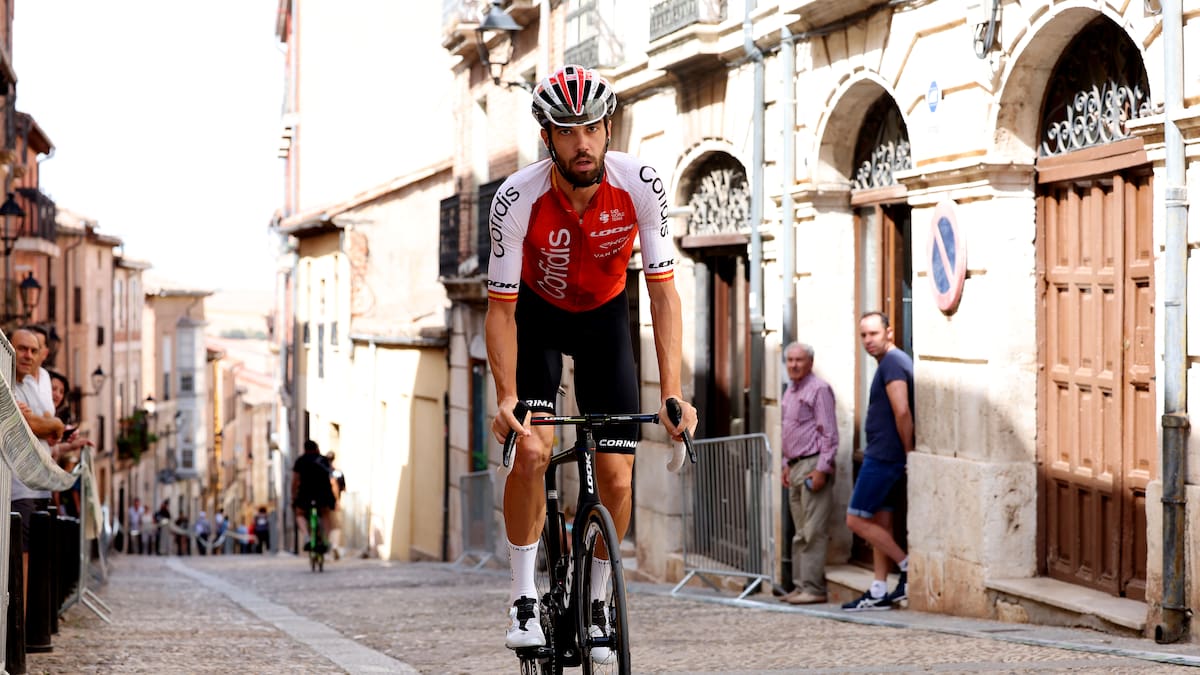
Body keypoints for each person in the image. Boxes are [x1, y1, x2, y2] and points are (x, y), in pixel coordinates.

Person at [485, 64, 698, 662]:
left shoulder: (641, 184)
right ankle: (525, 598)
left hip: (607, 320)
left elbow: (662, 292)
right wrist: (506, 396)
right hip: (539, 317)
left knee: (619, 477)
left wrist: (673, 392)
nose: (583, 143)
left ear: (609, 128)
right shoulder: (516, 198)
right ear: (547, 137)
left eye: (593, 128)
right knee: (532, 450)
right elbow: (500, 311)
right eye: (567, 130)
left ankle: (600, 597)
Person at [842, 311, 915, 611]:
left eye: (873, 334)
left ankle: (908, 568)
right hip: (884, 453)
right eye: (863, 335)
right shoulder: (890, 363)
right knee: (879, 523)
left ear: (889, 331)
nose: (868, 341)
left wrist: (909, 452)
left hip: (884, 456)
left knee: (855, 519)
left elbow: (902, 411)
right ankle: (878, 589)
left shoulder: (893, 364)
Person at [9, 328, 65, 610]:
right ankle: (17, 639)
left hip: (39, 486)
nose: (28, 355)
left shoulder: (30, 384)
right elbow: (31, 426)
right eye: (21, 348)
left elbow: (52, 423)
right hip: (18, 488)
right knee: (22, 558)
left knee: (36, 558)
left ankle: (29, 630)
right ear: (8, 349)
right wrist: (47, 426)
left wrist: (51, 426)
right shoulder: (7, 384)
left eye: (33, 350)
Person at [779, 342, 838, 605]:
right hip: (794, 466)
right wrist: (785, 464)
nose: (793, 365)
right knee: (800, 531)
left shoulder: (819, 389)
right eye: (790, 360)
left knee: (813, 530)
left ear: (810, 363)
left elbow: (830, 433)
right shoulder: (790, 390)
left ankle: (814, 588)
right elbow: (789, 429)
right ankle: (801, 585)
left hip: (812, 464)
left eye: (799, 360)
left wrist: (822, 469)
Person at [292, 439, 334, 554]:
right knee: (325, 513)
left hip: (305, 493)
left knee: (299, 514)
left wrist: (293, 496)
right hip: (323, 493)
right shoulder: (323, 460)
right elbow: (332, 476)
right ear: (317, 448)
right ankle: (326, 539)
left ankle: (306, 536)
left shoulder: (300, 461)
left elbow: (295, 481)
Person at [326, 451, 346, 560]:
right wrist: (337, 500)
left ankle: (329, 546)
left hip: (322, 502)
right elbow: (341, 487)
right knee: (336, 526)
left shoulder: (322, 470)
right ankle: (334, 545)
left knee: (326, 524)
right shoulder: (338, 472)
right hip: (334, 502)